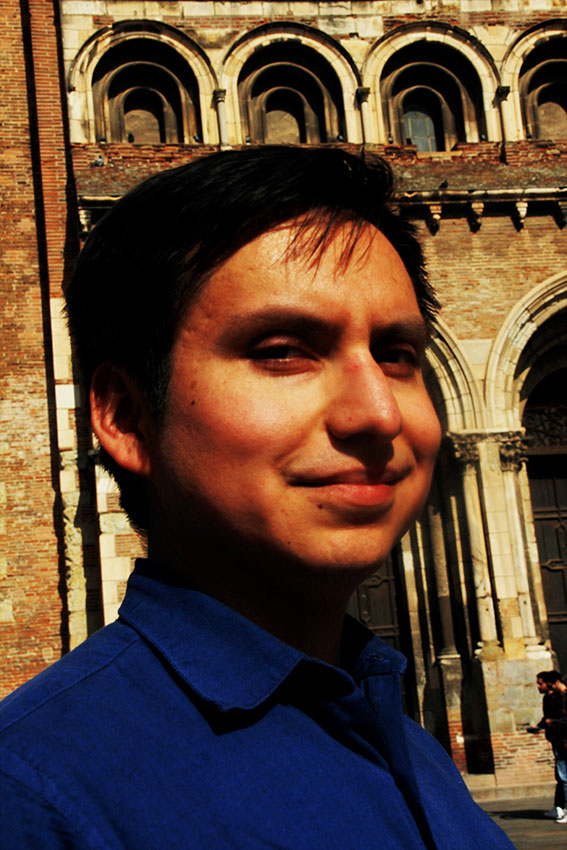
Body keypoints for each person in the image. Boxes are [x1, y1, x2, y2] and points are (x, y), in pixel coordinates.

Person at [0, 147, 513, 849]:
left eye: (396, 354)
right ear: (126, 416)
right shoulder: (35, 795)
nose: (378, 414)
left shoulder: (409, 748)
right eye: (281, 351)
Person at [528, 670, 566, 821]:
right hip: (557, 741)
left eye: (541, 683)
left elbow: (561, 719)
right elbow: (548, 718)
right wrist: (540, 726)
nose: (538, 687)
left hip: (563, 740)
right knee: (561, 776)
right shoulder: (550, 698)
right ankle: (559, 807)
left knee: (564, 776)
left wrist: (552, 723)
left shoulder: (562, 697)